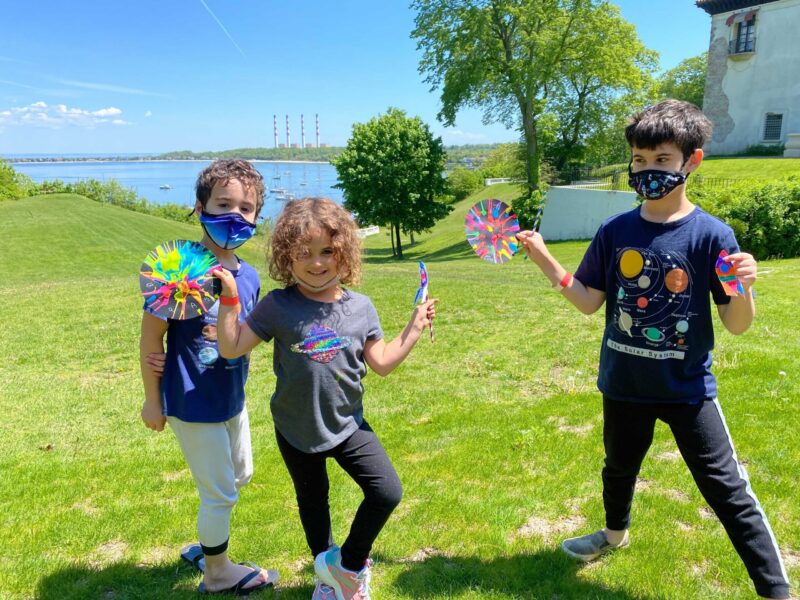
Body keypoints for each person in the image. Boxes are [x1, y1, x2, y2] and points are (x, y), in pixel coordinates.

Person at [516, 100, 790, 600]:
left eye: (662, 160)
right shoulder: (614, 231)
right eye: (639, 160)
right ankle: (614, 536)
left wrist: (745, 287)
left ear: (692, 161)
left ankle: (776, 591)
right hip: (623, 385)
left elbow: (737, 324)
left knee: (728, 490)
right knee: (618, 467)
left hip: (687, 390)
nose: (647, 171)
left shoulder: (712, 236)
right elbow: (587, 301)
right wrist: (545, 260)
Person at [213, 197, 437, 600]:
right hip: (295, 426)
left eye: (327, 252)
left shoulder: (361, 307)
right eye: (304, 253)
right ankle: (328, 580)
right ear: (287, 255)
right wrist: (229, 299)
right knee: (313, 503)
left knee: (386, 491)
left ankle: (347, 566)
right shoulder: (278, 306)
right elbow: (232, 348)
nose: (317, 263)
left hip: (348, 423)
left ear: (344, 252)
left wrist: (415, 327)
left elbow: (382, 363)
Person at [139, 159, 279, 595]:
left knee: (239, 476)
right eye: (223, 204)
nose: (235, 216)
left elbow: (246, 334)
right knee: (221, 493)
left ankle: (207, 545)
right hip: (191, 401)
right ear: (199, 207)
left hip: (231, 396)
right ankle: (218, 573)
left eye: (247, 208)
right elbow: (151, 341)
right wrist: (152, 399)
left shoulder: (250, 275)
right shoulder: (177, 269)